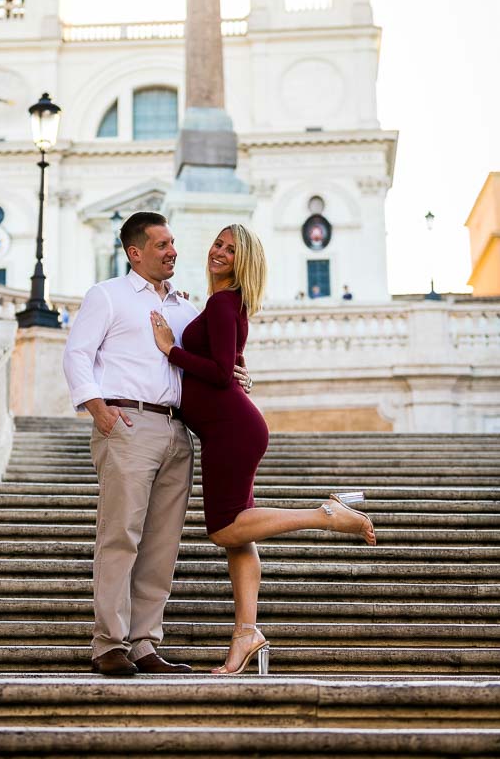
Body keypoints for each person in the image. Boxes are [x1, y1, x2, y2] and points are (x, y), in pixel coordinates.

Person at [150, 224, 376, 676]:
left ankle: (324, 515)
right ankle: (246, 634)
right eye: (217, 242)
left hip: (229, 429)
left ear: (243, 261)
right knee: (241, 539)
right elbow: (233, 365)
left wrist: (170, 349)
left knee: (225, 530)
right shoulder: (231, 303)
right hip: (231, 427)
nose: (219, 252)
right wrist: (231, 370)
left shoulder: (221, 301)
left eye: (231, 250)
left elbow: (217, 372)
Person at [62, 211, 251, 677]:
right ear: (135, 252)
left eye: (173, 243)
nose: (173, 252)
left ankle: (145, 642)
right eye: (162, 244)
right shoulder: (107, 296)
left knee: (162, 545)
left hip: (177, 431)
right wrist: (98, 410)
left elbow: (209, 361)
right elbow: (76, 354)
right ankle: (109, 643)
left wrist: (237, 372)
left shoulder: (185, 308)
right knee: (120, 535)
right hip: (127, 423)